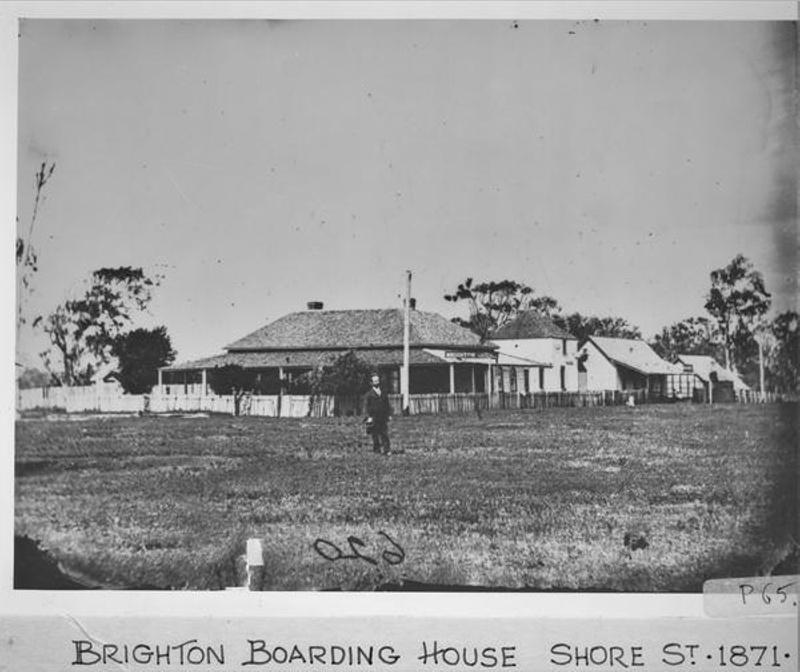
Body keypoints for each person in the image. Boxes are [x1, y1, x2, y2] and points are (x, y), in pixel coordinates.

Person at [364, 372, 392, 455]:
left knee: (384, 433)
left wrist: (389, 414)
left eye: (377, 380)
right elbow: (366, 406)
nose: (376, 382)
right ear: (371, 383)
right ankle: (377, 450)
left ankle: (386, 450)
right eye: (375, 381)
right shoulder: (369, 394)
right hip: (374, 416)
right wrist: (368, 417)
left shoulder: (383, 392)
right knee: (375, 434)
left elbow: (387, 404)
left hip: (382, 416)